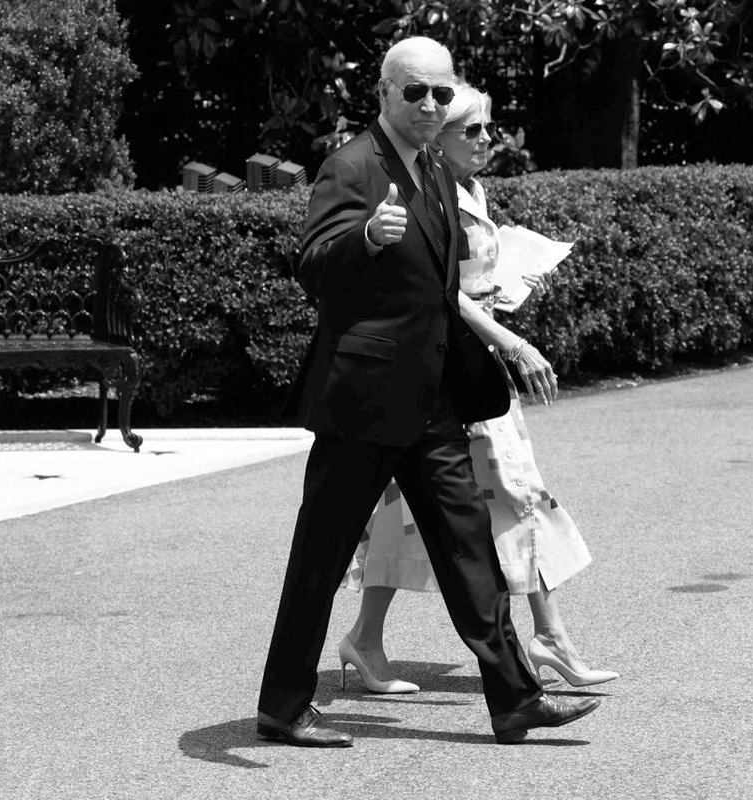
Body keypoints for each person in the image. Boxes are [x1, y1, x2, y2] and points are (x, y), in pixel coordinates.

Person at [256, 36, 600, 748]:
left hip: (432, 402)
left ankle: (516, 700)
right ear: (383, 93)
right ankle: (283, 706)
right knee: (320, 557)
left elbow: (440, 290)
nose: (430, 104)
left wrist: (493, 347)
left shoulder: (436, 170)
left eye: (441, 92)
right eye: (415, 92)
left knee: (470, 550)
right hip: (362, 402)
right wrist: (369, 240)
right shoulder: (351, 166)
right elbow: (312, 266)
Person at [336, 83, 619, 697]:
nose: (488, 139)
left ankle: (544, 635)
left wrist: (507, 283)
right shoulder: (422, 193)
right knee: (461, 502)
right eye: (474, 130)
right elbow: (440, 292)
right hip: (448, 374)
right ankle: (370, 637)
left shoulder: (467, 190)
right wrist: (512, 341)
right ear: (439, 137)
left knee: (507, 493)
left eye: (489, 127)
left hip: (472, 366)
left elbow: (468, 284)